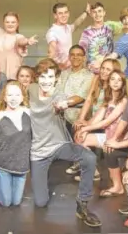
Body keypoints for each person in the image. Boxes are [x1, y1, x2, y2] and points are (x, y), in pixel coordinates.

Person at [28, 58, 101, 227]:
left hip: (59, 145)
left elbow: (70, 100)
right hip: (38, 152)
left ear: (56, 78)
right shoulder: (30, 90)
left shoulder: (58, 94)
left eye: (50, 77)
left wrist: (65, 103)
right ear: (37, 77)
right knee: (40, 202)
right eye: (42, 76)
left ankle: (82, 203)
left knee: (89, 158)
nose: (46, 81)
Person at [74, 70, 128, 185]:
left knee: (83, 132)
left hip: (118, 138)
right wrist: (85, 127)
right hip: (107, 136)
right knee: (79, 138)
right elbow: (99, 117)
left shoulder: (124, 100)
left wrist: (85, 129)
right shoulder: (109, 99)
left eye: (119, 80)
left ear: (123, 83)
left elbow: (106, 122)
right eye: (113, 79)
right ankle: (94, 173)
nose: (116, 82)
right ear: (108, 82)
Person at [79, 0, 128, 74]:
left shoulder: (110, 26)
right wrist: (83, 68)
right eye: (94, 12)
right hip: (93, 70)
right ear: (90, 14)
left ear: (104, 13)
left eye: (99, 11)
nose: (97, 14)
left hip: (109, 69)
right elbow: (80, 52)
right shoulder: (87, 32)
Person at [56, 45, 94, 133]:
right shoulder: (64, 73)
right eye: (72, 54)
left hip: (79, 120)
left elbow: (80, 96)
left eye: (79, 55)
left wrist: (62, 103)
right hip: (62, 119)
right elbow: (58, 91)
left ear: (84, 57)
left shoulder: (89, 76)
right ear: (69, 57)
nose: (75, 57)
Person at [46, 2, 91, 70]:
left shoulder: (67, 28)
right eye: (60, 13)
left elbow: (76, 24)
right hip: (59, 70)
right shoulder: (52, 32)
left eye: (65, 12)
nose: (64, 15)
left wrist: (86, 12)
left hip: (70, 69)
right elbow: (51, 53)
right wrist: (51, 69)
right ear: (55, 15)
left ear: (68, 13)